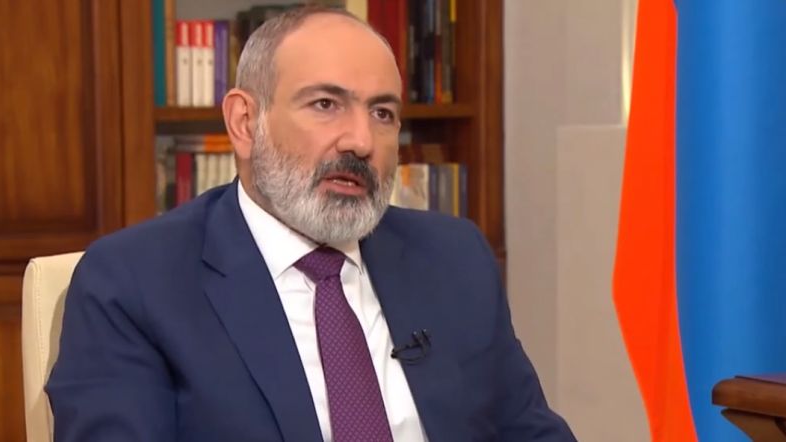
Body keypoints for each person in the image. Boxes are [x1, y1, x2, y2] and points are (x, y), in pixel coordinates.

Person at [46, 6, 575, 442]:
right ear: (245, 123)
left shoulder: (454, 258)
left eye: (383, 114)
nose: (360, 141)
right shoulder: (133, 283)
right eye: (326, 104)